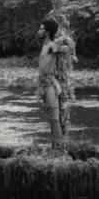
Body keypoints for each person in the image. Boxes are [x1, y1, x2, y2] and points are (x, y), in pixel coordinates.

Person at [37, 19, 72, 147]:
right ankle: (55, 146)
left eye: (41, 29)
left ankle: (59, 149)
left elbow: (67, 48)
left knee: (54, 119)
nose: (39, 31)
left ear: (48, 32)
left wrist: (64, 40)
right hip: (44, 85)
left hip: (51, 85)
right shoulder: (45, 46)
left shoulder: (52, 46)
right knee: (51, 119)